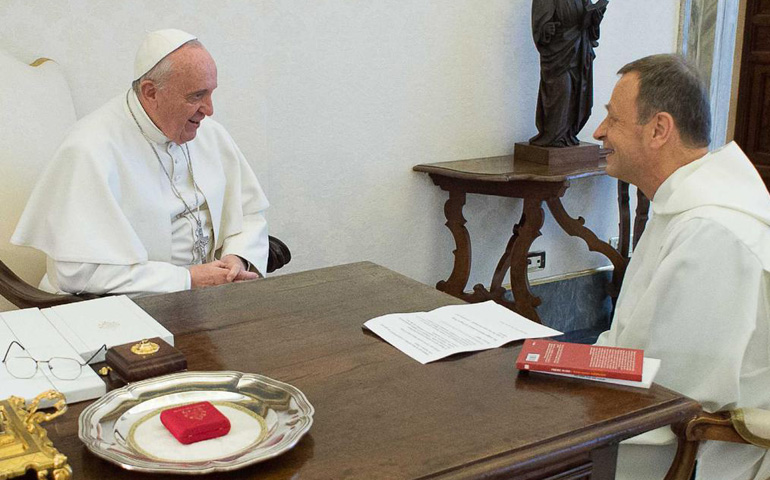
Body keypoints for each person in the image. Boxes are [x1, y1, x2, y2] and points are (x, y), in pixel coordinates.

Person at [593, 54, 770, 480]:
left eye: (613, 119)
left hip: (705, 458)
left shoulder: (714, 231)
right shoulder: (685, 206)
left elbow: (680, 397)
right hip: (641, 412)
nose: (599, 132)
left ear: (659, 129)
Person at [12, 29, 269, 295]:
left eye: (210, 93)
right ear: (151, 92)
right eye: (196, 96)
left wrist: (237, 258)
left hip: (209, 296)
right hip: (119, 306)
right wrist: (188, 279)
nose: (209, 109)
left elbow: (249, 213)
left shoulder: (209, 134)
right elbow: (78, 275)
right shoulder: (89, 149)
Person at [529, 0, 607, 147]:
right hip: (559, 53)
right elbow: (540, 26)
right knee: (562, 91)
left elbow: (590, 25)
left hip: (580, 50)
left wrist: (595, 17)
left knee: (577, 95)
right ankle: (553, 135)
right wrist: (546, 29)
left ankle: (568, 134)